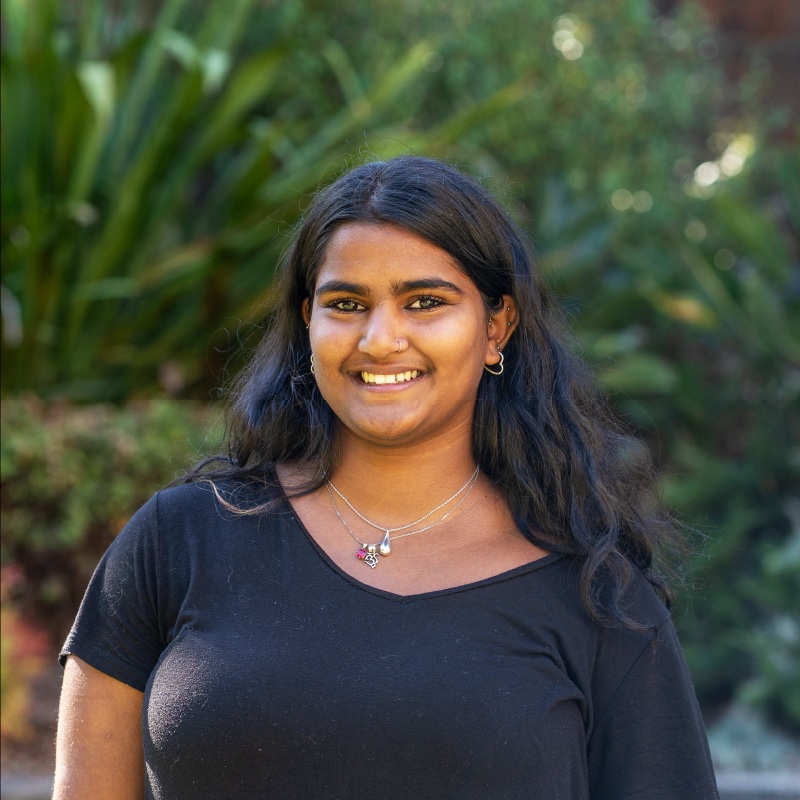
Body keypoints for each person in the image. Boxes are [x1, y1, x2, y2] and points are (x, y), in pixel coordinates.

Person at [54, 156, 719, 799]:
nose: (379, 339)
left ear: (496, 327)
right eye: (346, 303)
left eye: (424, 301)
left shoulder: (596, 597)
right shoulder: (176, 544)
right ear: (308, 320)